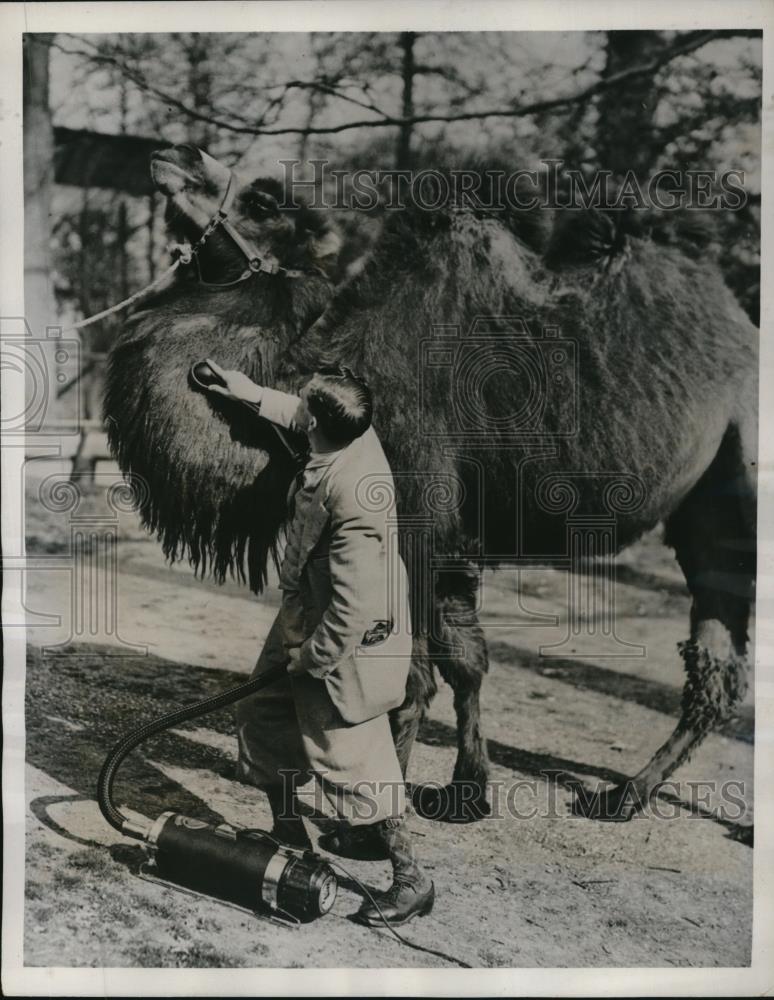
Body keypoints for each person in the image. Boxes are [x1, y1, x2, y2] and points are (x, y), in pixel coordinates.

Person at [203, 359, 434, 926]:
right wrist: (247, 392)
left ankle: (412, 879)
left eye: (304, 403)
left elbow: (353, 606)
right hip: (310, 617)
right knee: (262, 716)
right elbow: (300, 413)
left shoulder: (353, 497)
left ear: (317, 424)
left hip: (343, 642)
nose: (297, 406)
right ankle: (291, 840)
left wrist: (310, 660)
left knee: (354, 761)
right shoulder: (352, 433)